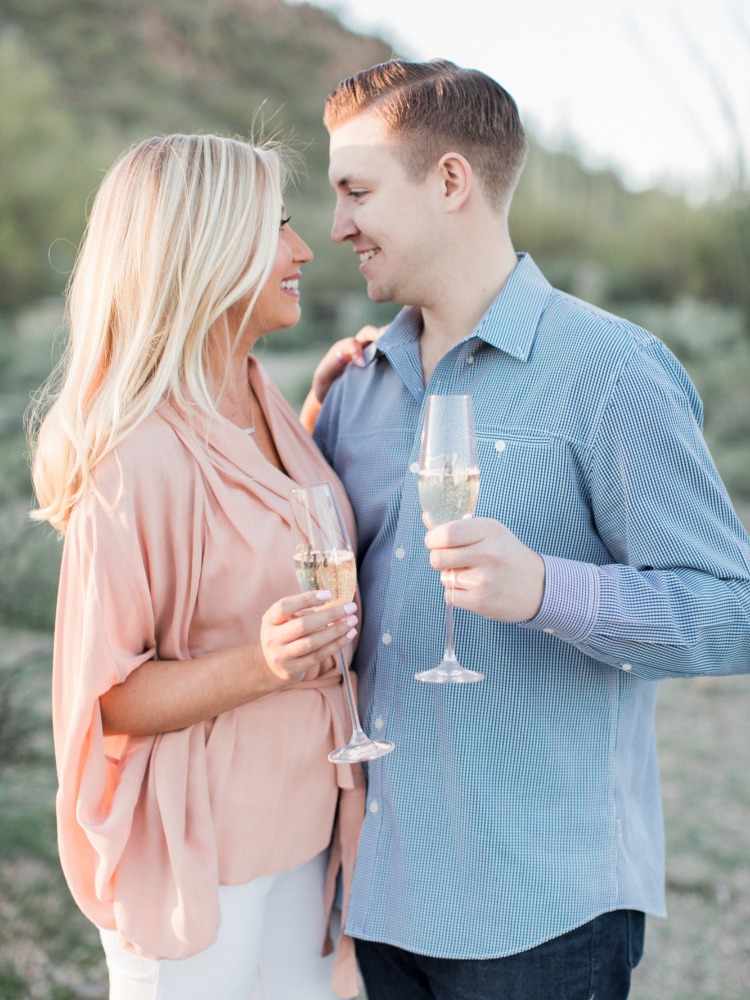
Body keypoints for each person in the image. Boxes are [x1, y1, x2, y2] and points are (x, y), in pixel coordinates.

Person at [304, 59, 750, 1000]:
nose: (337, 225)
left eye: (356, 191)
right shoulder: (355, 386)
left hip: (541, 914)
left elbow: (732, 610)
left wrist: (550, 591)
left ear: (452, 182)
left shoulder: (614, 373)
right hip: (380, 897)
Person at [29, 133, 365, 1000]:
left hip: (304, 829)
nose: (302, 248)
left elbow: (254, 513)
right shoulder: (132, 459)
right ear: (207, 250)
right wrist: (265, 664)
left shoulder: (261, 395)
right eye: (275, 227)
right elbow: (107, 703)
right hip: (195, 853)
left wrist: (323, 414)